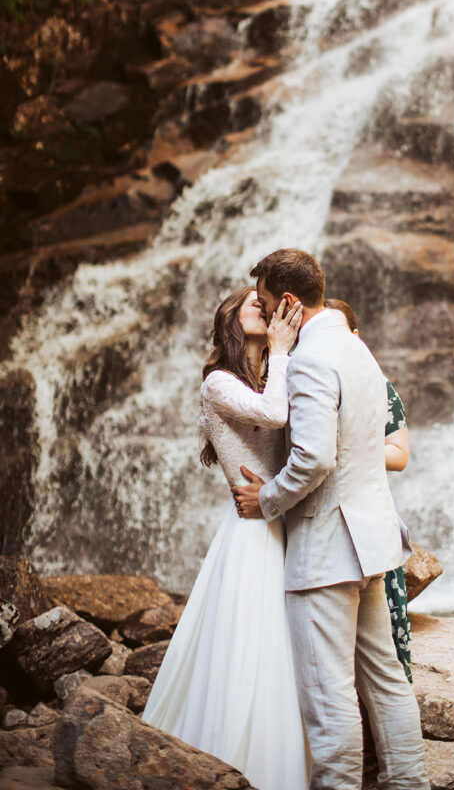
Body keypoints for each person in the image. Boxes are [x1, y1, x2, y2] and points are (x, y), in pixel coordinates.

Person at [234, 249, 429, 790]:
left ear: (289, 303)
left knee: (329, 694)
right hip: (373, 542)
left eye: (270, 304)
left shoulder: (311, 358)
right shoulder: (357, 349)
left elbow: (315, 457)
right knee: (387, 681)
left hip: (327, 548)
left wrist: (266, 499)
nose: (269, 314)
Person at [141, 288, 309, 790]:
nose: (265, 306)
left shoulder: (272, 372)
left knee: (287, 645)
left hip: (283, 517)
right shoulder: (218, 381)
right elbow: (275, 416)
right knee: (254, 645)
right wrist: (281, 351)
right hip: (253, 533)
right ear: (229, 322)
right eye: (252, 304)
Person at [324, 297, 413, 683]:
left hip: (365, 516)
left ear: (356, 336)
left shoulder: (378, 385)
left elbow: (399, 454)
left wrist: (342, 446)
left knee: (383, 638)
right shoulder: (302, 377)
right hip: (317, 519)